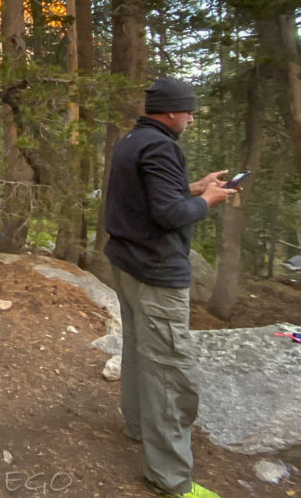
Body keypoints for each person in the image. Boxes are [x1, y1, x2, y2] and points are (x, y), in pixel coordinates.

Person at [103, 77, 235, 498]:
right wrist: (208, 202)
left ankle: (139, 427)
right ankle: (170, 478)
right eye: (189, 111)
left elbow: (149, 196)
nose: (192, 118)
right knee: (169, 371)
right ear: (171, 112)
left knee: (141, 353)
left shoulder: (133, 139)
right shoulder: (162, 146)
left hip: (127, 264)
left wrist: (196, 187)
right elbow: (168, 214)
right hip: (157, 273)